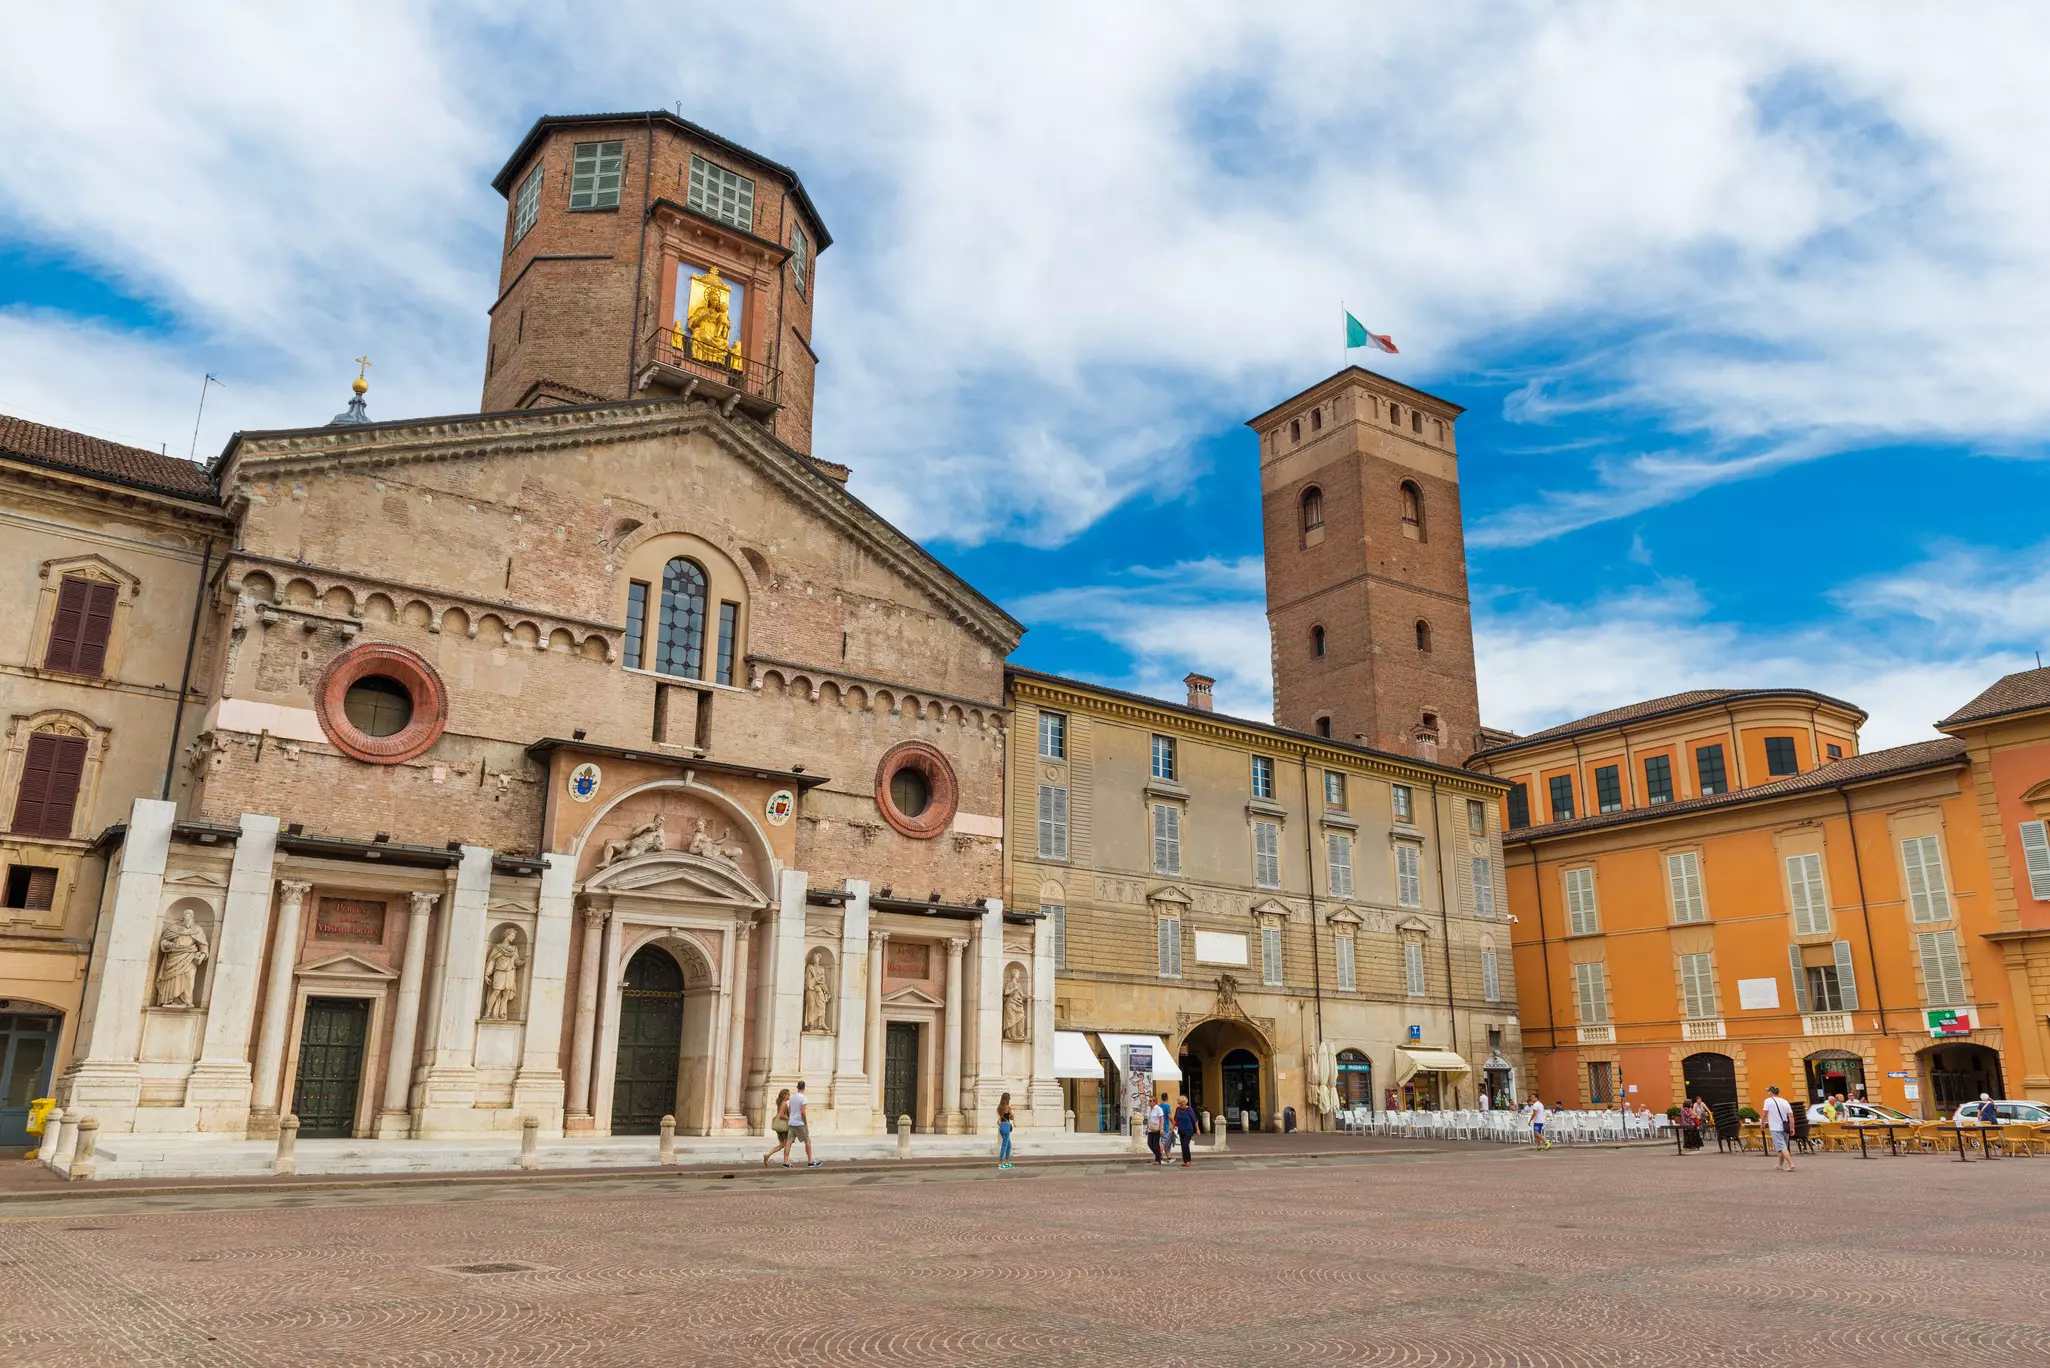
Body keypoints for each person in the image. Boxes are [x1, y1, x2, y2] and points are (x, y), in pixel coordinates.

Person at [785, 1080, 821, 1168]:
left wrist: (791, 1118)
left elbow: (789, 1110)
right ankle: (810, 1161)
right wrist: (805, 1121)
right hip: (799, 1123)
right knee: (807, 1141)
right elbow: (803, 1112)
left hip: (791, 1123)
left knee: (788, 1142)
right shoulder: (804, 1098)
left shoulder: (792, 1098)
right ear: (804, 1088)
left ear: (797, 1087)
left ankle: (786, 1162)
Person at [1762, 1085, 1796, 1171]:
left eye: (1768, 1091)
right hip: (1785, 1127)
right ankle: (1779, 1165)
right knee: (1781, 1147)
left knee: (1782, 1147)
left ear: (1771, 1092)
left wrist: (1762, 1124)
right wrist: (1792, 1128)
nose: (1768, 1093)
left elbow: (1764, 1114)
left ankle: (1791, 1164)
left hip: (1775, 1128)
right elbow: (1791, 1116)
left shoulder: (1768, 1101)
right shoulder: (1785, 1101)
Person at [761, 1088, 793, 1167]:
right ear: (785, 1095)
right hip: (784, 1127)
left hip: (779, 1127)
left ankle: (768, 1154)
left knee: (782, 1145)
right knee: (787, 1144)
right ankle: (787, 1162)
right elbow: (781, 1115)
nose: (790, 1095)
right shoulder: (784, 1103)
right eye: (788, 1094)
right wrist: (789, 1118)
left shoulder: (780, 1102)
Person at [1172, 1094, 1198, 1167]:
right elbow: (1175, 1119)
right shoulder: (1178, 1109)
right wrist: (1172, 1128)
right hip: (1181, 1130)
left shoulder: (1189, 1109)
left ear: (1185, 1102)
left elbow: (1194, 1120)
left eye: (1183, 1103)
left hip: (1189, 1130)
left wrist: (1198, 1129)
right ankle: (1185, 1161)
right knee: (1183, 1146)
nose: (1181, 1105)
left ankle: (1188, 1161)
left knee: (1185, 1145)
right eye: (1180, 1103)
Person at [1144, 1093, 1170, 1164]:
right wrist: (1146, 1129)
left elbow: (1162, 1119)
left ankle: (1158, 1159)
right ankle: (1159, 1156)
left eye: (1151, 1101)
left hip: (1156, 1129)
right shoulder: (1149, 1109)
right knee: (1149, 1144)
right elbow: (1149, 1119)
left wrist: (1161, 1128)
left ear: (1155, 1102)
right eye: (1149, 1101)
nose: (1149, 1102)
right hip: (1150, 1129)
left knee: (1155, 1145)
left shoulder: (1158, 1109)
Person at [996, 1092, 1015, 1170]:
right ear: (1007, 1099)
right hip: (1006, 1126)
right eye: (1009, 1098)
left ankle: (1007, 1162)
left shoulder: (999, 1107)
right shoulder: (1008, 1107)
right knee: (1004, 1145)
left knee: (1009, 1145)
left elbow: (1001, 1118)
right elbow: (1012, 1117)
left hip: (1001, 1126)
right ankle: (1001, 1163)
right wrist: (1011, 1115)